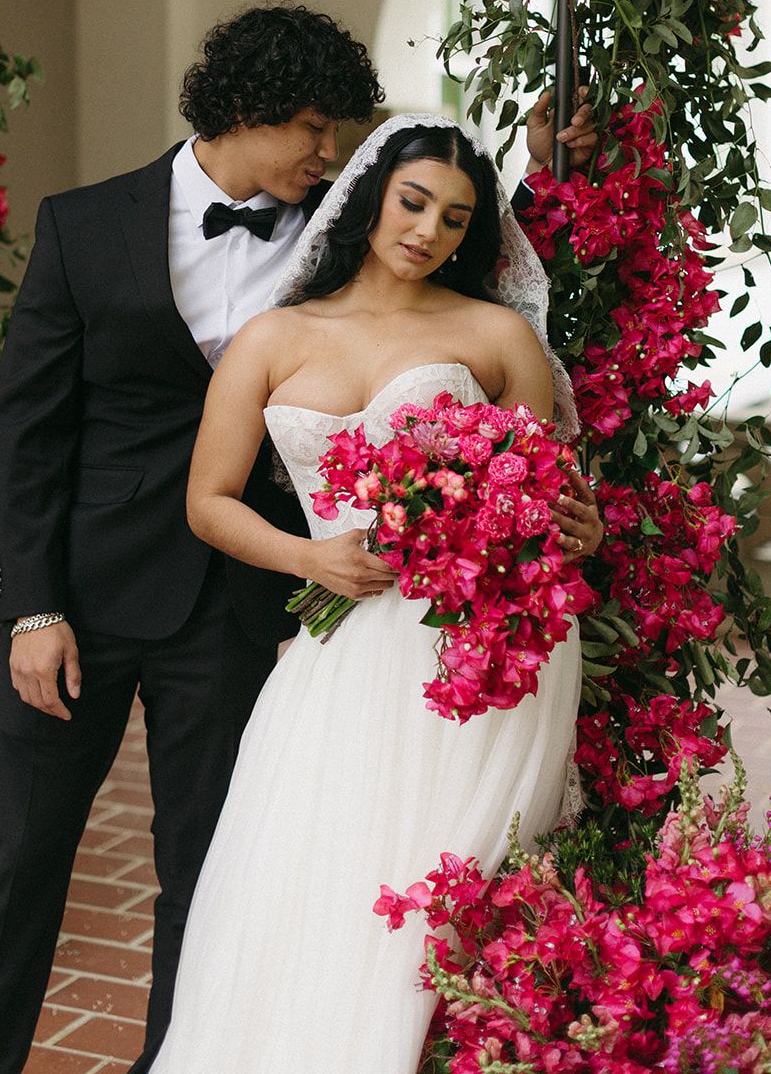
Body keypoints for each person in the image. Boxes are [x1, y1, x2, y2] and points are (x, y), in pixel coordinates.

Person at [0, 0, 599, 1074]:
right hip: (87, 599)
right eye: (315, 129)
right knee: (17, 858)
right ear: (249, 110)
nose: (329, 152)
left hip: (251, 610)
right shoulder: (84, 224)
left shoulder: (345, 231)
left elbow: (458, 243)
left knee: (212, 874)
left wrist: (536, 163)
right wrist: (33, 606)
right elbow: (28, 436)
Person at [149, 115, 601, 1074]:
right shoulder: (272, 337)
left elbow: (549, 490)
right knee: (320, 861)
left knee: (453, 871)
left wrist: (579, 524)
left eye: (454, 217)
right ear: (366, 199)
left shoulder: (495, 332)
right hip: (342, 634)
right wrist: (309, 562)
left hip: (476, 649)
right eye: (413, 201)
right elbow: (207, 501)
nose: (428, 229)